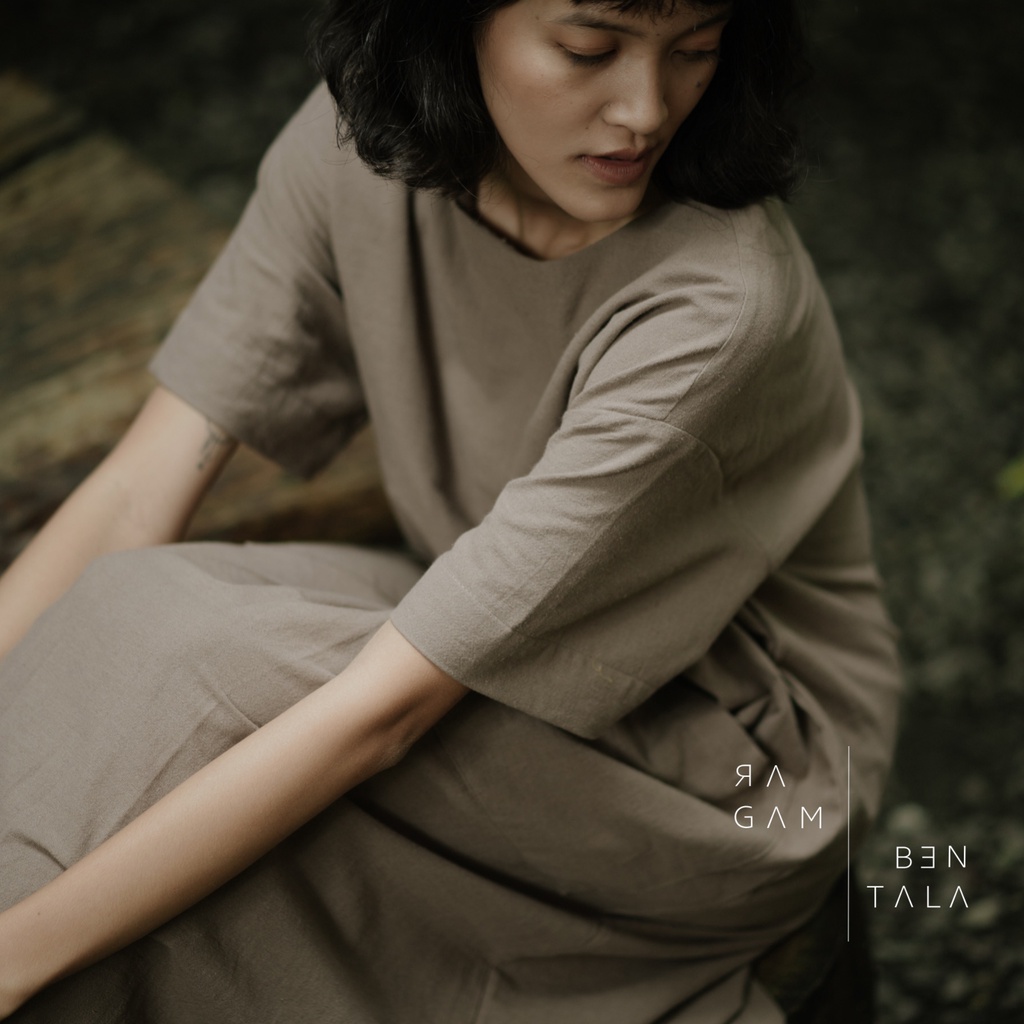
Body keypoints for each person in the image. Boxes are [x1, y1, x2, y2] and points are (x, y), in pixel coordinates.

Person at [0, 0, 902, 1020]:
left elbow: (385, 715)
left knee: (184, 699)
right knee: (126, 631)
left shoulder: (720, 306)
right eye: (589, 49)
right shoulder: (365, 147)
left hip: (736, 762)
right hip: (477, 617)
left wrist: (13, 958)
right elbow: (135, 493)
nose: (648, 109)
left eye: (695, 49)